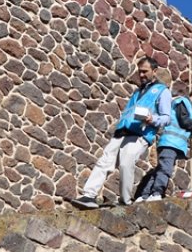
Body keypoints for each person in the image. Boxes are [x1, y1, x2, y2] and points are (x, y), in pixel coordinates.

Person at [70, 56, 171, 209]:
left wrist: (152, 119)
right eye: (140, 72)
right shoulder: (138, 91)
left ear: (155, 71)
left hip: (140, 135)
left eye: (145, 71)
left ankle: (125, 201)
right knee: (104, 161)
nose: (141, 75)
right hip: (122, 132)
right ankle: (88, 195)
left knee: (126, 164)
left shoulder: (162, 91)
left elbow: (166, 118)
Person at [134, 86, 192, 202]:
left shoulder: (188, 107)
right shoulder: (183, 103)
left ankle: (144, 195)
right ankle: (156, 193)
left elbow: (186, 126)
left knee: (160, 169)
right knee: (165, 169)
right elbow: (185, 122)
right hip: (170, 142)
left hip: (171, 143)